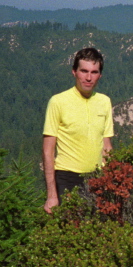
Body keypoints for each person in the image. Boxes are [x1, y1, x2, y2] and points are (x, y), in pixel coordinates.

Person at [42, 47, 114, 213]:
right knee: (71, 231)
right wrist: (52, 195)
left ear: (100, 75)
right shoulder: (58, 102)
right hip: (67, 178)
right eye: (84, 71)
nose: (89, 78)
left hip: (97, 178)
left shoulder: (104, 102)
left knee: (98, 232)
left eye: (94, 72)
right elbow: (48, 151)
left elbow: (107, 146)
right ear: (74, 72)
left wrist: (111, 181)